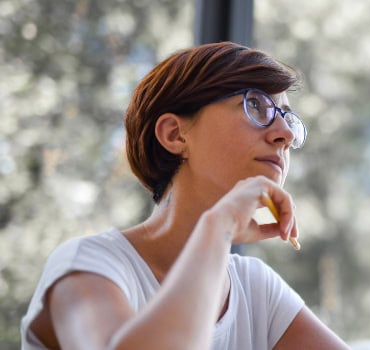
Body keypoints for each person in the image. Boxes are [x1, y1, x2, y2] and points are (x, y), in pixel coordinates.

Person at [19, 41, 350, 349]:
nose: (287, 134)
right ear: (175, 134)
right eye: (255, 105)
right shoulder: (89, 264)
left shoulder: (255, 288)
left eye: (287, 118)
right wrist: (218, 226)